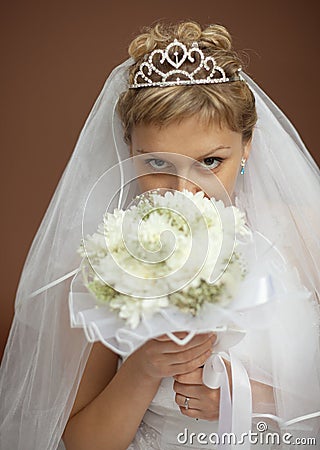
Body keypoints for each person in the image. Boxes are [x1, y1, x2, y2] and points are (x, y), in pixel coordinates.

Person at [0, 21, 319, 450]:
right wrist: (144, 369)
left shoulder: (303, 232)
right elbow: (82, 442)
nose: (185, 191)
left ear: (246, 146)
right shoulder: (105, 261)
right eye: (157, 165)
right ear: (128, 150)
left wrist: (253, 399)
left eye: (210, 161)